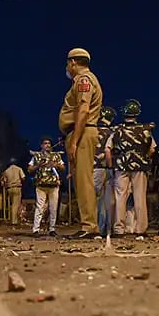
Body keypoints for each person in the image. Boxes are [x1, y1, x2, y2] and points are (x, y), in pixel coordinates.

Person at [60, 48, 104, 239]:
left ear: (74, 62)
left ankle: (89, 226)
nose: (68, 67)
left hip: (83, 132)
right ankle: (88, 224)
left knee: (83, 180)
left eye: (68, 63)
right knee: (80, 180)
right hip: (82, 132)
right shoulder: (85, 80)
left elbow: (83, 110)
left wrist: (75, 141)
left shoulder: (83, 80)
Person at [106, 99, 157, 236]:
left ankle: (119, 229)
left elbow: (108, 149)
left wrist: (111, 166)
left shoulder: (117, 130)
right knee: (140, 197)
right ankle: (141, 229)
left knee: (120, 197)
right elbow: (152, 149)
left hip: (121, 165)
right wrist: (143, 157)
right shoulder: (145, 130)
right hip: (139, 166)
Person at [29, 136, 64, 236]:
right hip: (41, 185)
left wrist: (56, 165)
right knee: (39, 208)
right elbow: (30, 169)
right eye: (45, 143)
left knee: (53, 208)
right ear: (41, 145)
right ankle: (36, 230)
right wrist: (38, 165)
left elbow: (63, 167)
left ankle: (52, 229)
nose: (47, 145)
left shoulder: (56, 156)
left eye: (49, 143)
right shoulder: (37, 156)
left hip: (54, 185)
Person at [92, 106, 117, 237]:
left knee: (95, 199)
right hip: (110, 168)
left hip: (95, 167)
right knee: (109, 200)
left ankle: (96, 228)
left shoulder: (93, 131)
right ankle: (108, 228)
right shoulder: (113, 131)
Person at [1, 160, 25, 225]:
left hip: (9, 188)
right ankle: (14, 221)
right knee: (15, 205)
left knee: (12, 204)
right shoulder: (19, 169)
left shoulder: (6, 171)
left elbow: (4, 181)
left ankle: (13, 219)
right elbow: (23, 178)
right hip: (17, 187)